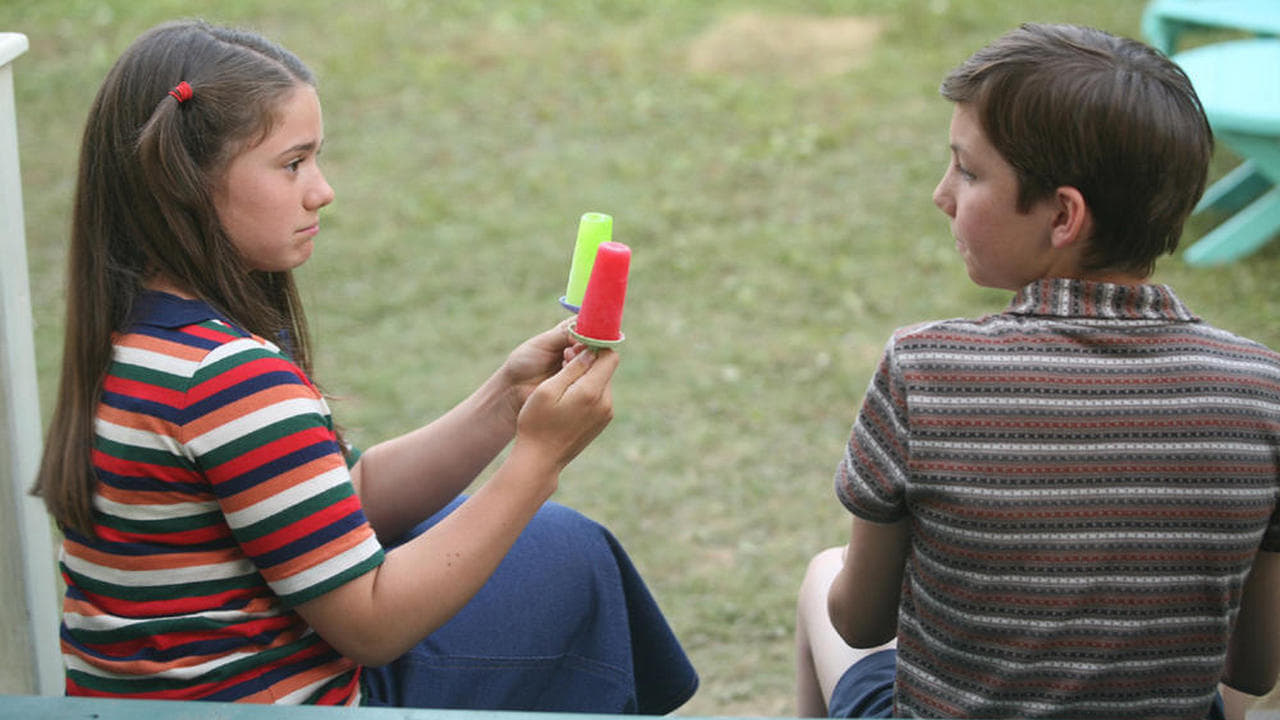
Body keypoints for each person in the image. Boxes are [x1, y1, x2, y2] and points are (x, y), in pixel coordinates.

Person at [31, 19, 697, 713]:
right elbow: (373, 626)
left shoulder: (140, 342)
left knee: (555, 546)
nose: (322, 191)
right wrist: (539, 458)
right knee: (569, 559)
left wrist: (506, 400)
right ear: (183, 184)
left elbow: (348, 496)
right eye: (293, 164)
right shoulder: (229, 381)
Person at [795, 22, 1280, 720]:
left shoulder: (924, 371)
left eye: (967, 170)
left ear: (1062, 216)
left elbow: (862, 624)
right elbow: (1256, 668)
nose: (942, 194)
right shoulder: (1264, 391)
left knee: (823, 576)